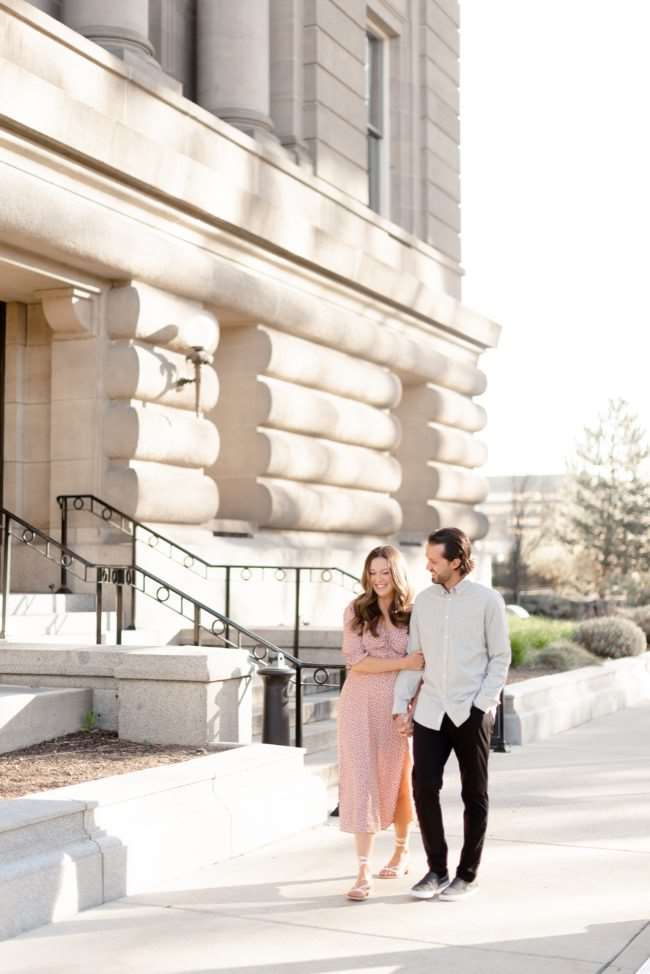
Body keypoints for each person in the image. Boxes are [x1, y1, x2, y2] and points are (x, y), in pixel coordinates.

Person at [393, 527, 511, 901]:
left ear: (456, 562)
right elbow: (415, 658)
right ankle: (437, 869)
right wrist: (401, 705)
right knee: (423, 787)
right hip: (431, 711)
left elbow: (500, 657)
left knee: (474, 794)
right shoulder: (425, 602)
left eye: (434, 561)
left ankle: (467, 874)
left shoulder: (487, 601)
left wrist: (482, 703)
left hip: (470, 710)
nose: (427, 566)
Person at [338, 545, 425, 901]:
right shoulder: (357, 610)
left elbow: (424, 664)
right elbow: (356, 663)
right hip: (358, 704)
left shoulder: (415, 613)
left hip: (397, 706)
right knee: (363, 782)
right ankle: (362, 871)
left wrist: (413, 709)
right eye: (372, 572)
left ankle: (402, 852)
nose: (377, 579)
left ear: (397, 573)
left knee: (400, 779)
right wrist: (403, 663)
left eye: (384, 572)